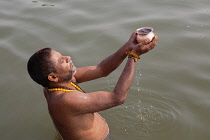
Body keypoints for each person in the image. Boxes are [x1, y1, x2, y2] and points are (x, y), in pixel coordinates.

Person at [27, 31, 158, 140]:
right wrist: (134, 56)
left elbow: (101, 69)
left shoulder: (57, 82)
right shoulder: (65, 100)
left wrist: (129, 46)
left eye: (63, 56)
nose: (68, 57)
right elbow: (118, 98)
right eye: (62, 61)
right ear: (53, 77)